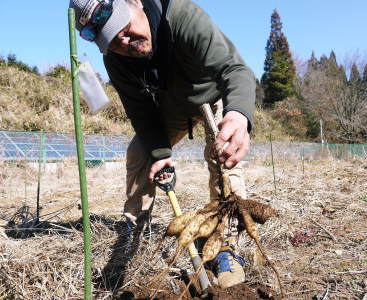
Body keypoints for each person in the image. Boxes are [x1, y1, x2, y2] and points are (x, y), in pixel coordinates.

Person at [69, 0, 256, 288]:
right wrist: (160, 153)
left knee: (224, 157)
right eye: (113, 41)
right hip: (169, 107)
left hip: (211, 97)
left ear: (135, 3)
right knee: (140, 151)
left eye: (125, 28)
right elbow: (141, 113)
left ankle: (226, 246)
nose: (125, 42)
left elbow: (235, 69)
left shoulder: (182, 17)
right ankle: (135, 230)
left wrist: (238, 115)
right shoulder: (116, 60)